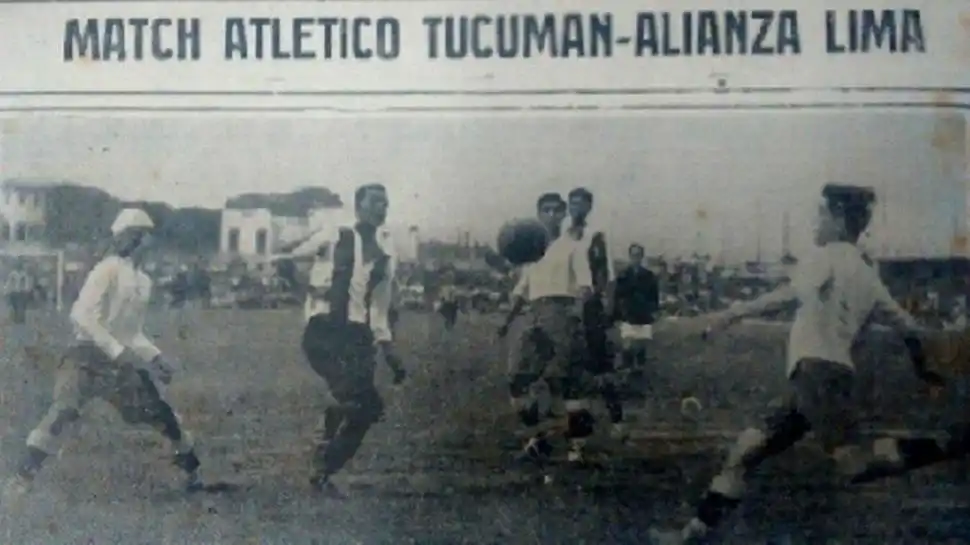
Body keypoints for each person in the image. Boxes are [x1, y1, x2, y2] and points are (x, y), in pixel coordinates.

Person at [649, 184, 965, 544]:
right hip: (812, 378)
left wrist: (731, 314)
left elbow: (790, 294)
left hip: (818, 375)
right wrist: (922, 367)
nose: (815, 222)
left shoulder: (826, 256)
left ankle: (950, 444)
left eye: (821, 214)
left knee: (854, 464)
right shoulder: (867, 274)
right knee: (744, 452)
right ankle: (691, 535)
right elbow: (910, 329)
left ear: (839, 219)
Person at [4, 208, 207, 506]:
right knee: (64, 409)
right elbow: (82, 315)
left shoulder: (144, 282)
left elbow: (132, 332)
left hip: (117, 362)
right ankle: (21, 478)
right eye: (133, 234)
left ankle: (192, 472)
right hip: (85, 356)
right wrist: (116, 350)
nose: (138, 241)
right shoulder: (106, 269)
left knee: (158, 412)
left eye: (142, 235)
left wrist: (154, 357)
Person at [273, 183, 406, 498]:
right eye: (375, 202)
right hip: (325, 331)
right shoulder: (335, 234)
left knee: (369, 408)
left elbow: (380, 305)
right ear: (358, 205)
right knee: (352, 398)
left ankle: (323, 467)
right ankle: (320, 453)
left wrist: (388, 350)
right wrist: (306, 287)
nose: (381, 208)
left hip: (359, 335)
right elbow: (287, 256)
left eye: (385, 203)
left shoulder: (388, 253)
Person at [497, 192, 594, 469]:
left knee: (567, 383)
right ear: (538, 215)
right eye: (546, 210)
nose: (551, 215)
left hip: (563, 312)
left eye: (556, 211)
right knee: (517, 378)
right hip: (534, 315)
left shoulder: (572, 247)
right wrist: (506, 322)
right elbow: (521, 292)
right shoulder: (529, 251)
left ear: (563, 215)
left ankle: (577, 448)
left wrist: (575, 314)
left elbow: (586, 287)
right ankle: (537, 440)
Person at [564, 187, 626, 452]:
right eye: (572, 203)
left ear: (589, 207)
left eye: (581, 203)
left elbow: (607, 274)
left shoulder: (595, 236)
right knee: (571, 371)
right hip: (566, 308)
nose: (575, 208)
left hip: (590, 308)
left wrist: (606, 306)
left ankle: (617, 419)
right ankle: (578, 439)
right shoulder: (561, 237)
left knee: (601, 371)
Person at [613, 243, 660, 381]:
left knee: (640, 347)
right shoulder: (623, 276)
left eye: (638, 255)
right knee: (627, 347)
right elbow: (617, 297)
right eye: (633, 255)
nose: (636, 258)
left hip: (643, 317)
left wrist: (653, 311)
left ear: (642, 257)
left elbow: (654, 296)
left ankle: (639, 375)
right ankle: (627, 375)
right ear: (629, 256)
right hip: (628, 316)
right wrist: (617, 316)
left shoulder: (649, 276)